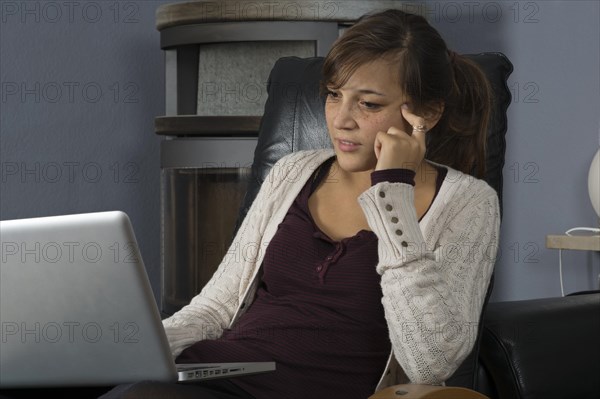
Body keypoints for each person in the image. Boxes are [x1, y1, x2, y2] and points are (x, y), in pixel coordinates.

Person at [101, 8, 500, 399]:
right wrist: (136, 352)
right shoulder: (293, 172)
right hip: (217, 375)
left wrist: (392, 191)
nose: (341, 119)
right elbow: (215, 307)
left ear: (426, 114)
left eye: (369, 104)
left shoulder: (469, 203)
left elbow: (429, 363)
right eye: (333, 95)